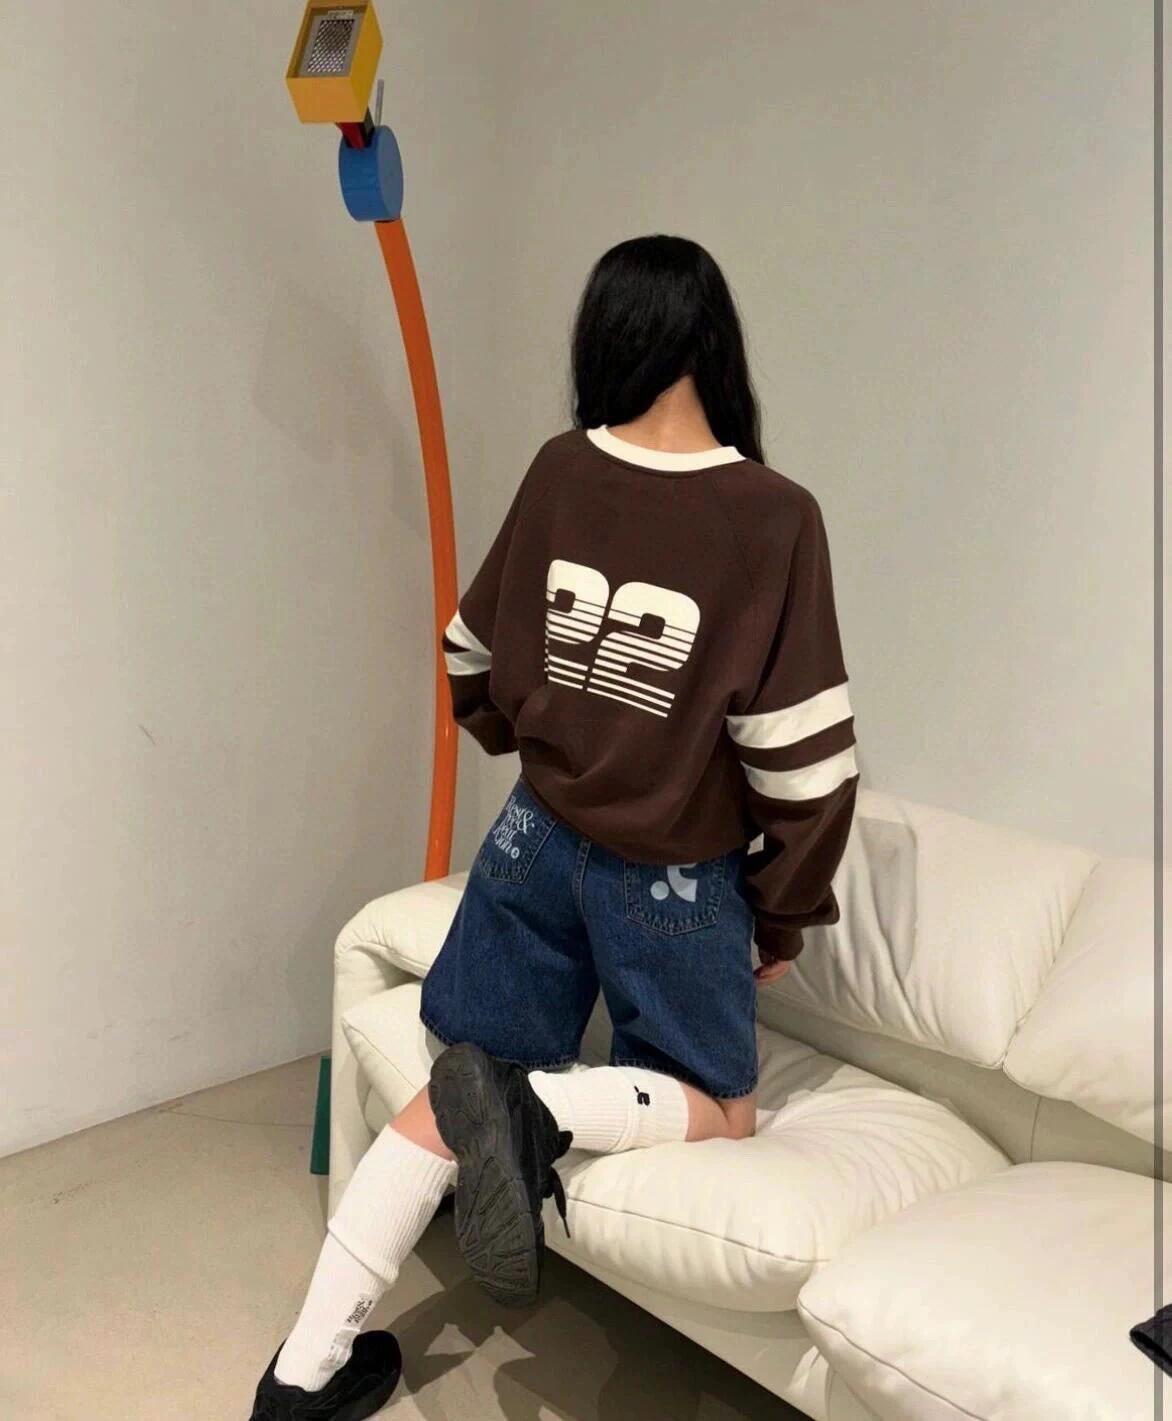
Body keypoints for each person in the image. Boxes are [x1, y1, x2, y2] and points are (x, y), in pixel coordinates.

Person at [249, 234, 859, 1420]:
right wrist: (780, 912)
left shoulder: (559, 469)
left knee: (461, 1077)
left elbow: (468, 653)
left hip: (532, 840)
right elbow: (801, 760)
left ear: (605, 343)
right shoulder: (773, 515)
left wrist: (522, 739)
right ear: (716, 349)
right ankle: (544, 1113)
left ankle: (301, 1373)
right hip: (670, 877)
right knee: (721, 1108)